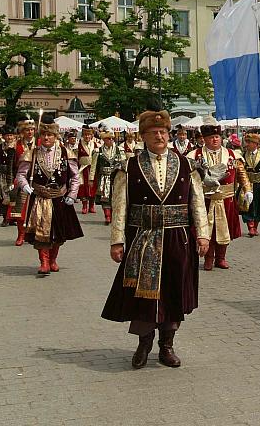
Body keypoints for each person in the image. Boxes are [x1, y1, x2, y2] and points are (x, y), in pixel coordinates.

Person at [101, 110, 210, 369]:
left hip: (178, 238)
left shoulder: (187, 165)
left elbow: (197, 203)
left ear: (169, 134)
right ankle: (144, 343)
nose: (159, 136)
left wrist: (203, 234)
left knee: (173, 291)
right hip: (143, 238)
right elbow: (120, 206)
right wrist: (116, 241)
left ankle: (167, 345)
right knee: (144, 295)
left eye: (163, 132)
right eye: (153, 132)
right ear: (143, 136)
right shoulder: (129, 166)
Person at [16, 117, 83, 275]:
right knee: (41, 233)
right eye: (43, 135)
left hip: (60, 198)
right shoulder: (32, 153)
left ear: (55, 136)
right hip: (39, 198)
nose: (46, 138)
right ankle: (44, 262)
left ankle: (53, 259)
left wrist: (72, 194)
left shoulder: (66, 153)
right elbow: (20, 175)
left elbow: (75, 177)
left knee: (58, 231)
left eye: (50, 135)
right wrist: (25, 186)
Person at [191, 116, 252, 270]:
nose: (215, 140)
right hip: (205, 200)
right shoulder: (195, 156)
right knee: (208, 231)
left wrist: (247, 189)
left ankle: (221, 258)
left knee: (225, 230)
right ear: (204, 139)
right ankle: (208, 258)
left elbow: (242, 174)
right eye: (211, 137)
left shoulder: (232, 154)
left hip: (226, 200)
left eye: (217, 136)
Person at [91, 130, 126, 225]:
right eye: (108, 139)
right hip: (104, 177)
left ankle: (114, 215)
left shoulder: (120, 150)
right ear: (104, 140)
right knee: (105, 196)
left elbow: (124, 164)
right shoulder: (98, 151)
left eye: (112, 139)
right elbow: (93, 166)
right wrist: (91, 179)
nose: (111, 140)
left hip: (116, 177)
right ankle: (107, 215)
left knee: (116, 196)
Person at [13, 118, 37, 246]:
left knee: (36, 209)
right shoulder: (16, 145)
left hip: (36, 180)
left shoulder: (39, 143)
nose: (30, 132)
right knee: (20, 209)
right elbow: (12, 163)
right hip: (21, 180)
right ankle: (21, 234)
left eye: (32, 129)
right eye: (27, 130)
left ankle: (34, 234)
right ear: (23, 131)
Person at [0, 126, 18, 227]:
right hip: (3, 175)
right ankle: (5, 218)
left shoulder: (17, 146)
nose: (9, 137)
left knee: (15, 198)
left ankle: (13, 218)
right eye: (7, 135)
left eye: (11, 135)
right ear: (3, 137)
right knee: (4, 197)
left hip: (15, 175)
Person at [77, 126, 98, 214]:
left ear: (92, 135)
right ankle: (84, 205)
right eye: (85, 135)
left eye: (89, 135)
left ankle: (92, 205)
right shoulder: (79, 144)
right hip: (83, 169)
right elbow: (76, 156)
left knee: (93, 187)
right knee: (83, 187)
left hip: (93, 168)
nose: (87, 136)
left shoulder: (95, 144)